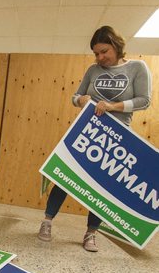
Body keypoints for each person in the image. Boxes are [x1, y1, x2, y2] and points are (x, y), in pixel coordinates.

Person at [38, 25, 152, 252]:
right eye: (96, 53)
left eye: (104, 52)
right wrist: (80, 101)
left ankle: (91, 234)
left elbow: (144, 100)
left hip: (116, 137)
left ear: (116, 47)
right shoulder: (93, 69)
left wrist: (112, 107)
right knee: (65, 177)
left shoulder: (137, 67)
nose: (100, 57)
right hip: (86, 132)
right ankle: (47, 221)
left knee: (102, 186)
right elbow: (76, 96)